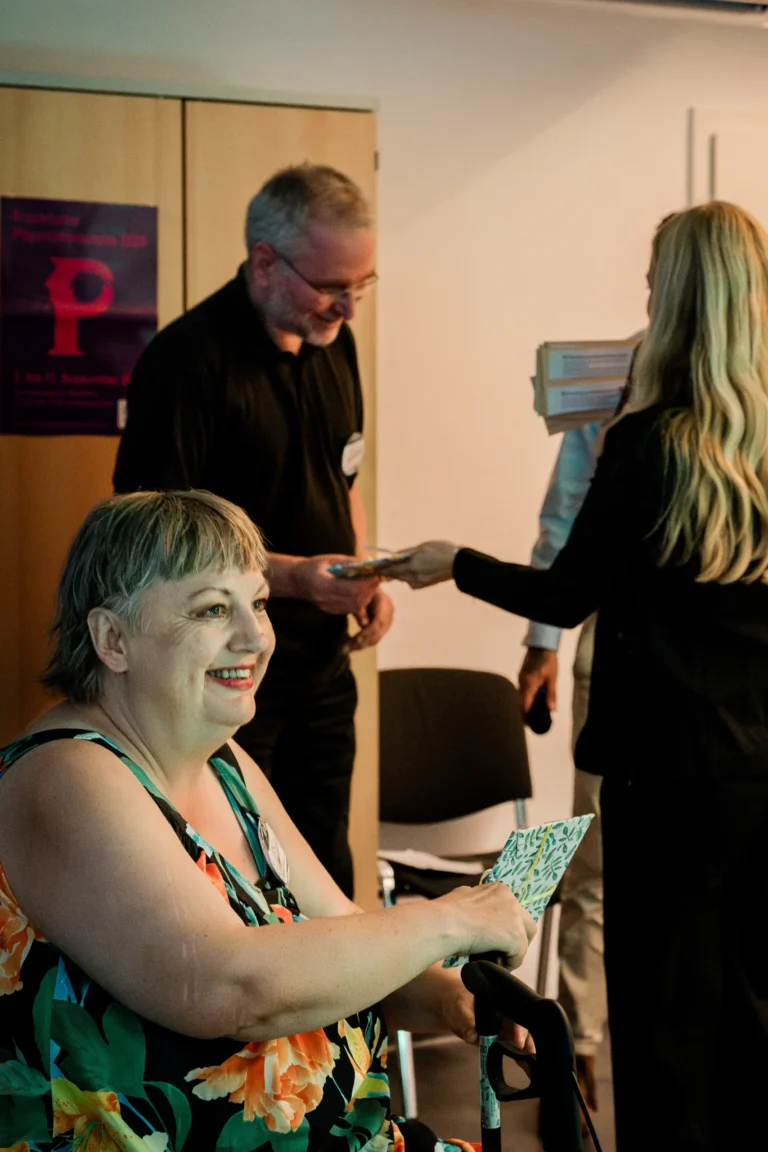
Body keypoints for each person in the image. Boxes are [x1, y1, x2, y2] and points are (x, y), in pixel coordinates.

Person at [387, 202, 768, 1151]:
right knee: (749, 1013)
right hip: (756, 776)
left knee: (662, 1025)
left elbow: (568, 589)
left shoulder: (650, 441)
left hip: (661, 777)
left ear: (676, 297)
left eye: (652, 283)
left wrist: (453, 562)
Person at [0, 489, 534, 1151]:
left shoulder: (224, 762)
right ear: (113, 639)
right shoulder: (63, 774)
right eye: (212, 609)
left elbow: (342, 939)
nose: (255, 637)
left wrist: (446, 997)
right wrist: (448, 919)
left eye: (257, 603)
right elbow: (226, 986)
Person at [113, 164, 393, 898]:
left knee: (326, 870)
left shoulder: (334, 343)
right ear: (265, 262)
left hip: (322, 669)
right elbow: (159, 540)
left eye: (362, 284)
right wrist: (295, 578)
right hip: (223, 678)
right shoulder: (186, 362)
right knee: (242, 885)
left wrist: (362, 573)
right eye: (331, 286)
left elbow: (345, 476)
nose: (348, 307)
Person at [519, 214, 676, 1119]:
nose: (652, 293)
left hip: (729, 675)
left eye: (664, 277)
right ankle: (579, 1046)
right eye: (650, 278)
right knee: (596, 861)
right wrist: (542, 642)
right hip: (614, 651)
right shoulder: (613, 374)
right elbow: (565, 516)